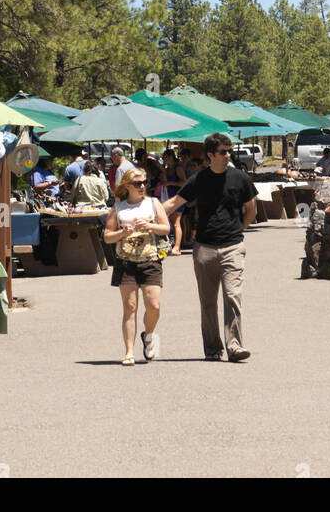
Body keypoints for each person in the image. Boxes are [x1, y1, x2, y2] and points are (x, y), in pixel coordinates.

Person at [163, 132, 256, 362]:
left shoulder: (240, 178)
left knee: (232, 296)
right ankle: (213, 348)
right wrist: (145, 214)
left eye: (229, 151)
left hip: (233, 247)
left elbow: (252, 210)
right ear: (210, 155)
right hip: (203, 248)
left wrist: (238, 230)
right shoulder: (198, 179)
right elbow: (174, 203)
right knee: (207, 302)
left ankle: (234, 346)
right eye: (223, 152)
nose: (228, 155)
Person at [102, 169, 170, 365]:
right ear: (127, 186)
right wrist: (123, 232)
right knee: (129, 308)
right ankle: (129, 352)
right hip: (126, 263)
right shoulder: (118, 208)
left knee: (154, 306)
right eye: (138, 183)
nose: (142, 186)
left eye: (144, 182)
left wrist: (149, 226)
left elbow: (166, 228)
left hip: (150, 260)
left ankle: (148, 335)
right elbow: (107, 236)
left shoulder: (153, 203)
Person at [160, 148, 186, 255]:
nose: (164, 160)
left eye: (165, 157)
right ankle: (175, 244)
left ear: (171, 157)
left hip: (178, 198)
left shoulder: (178, 168)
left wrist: (170, 183)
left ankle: (177, 247)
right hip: (169, 198)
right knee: (171, 221)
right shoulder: (166, 169)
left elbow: (184, 182)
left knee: (176, 223)